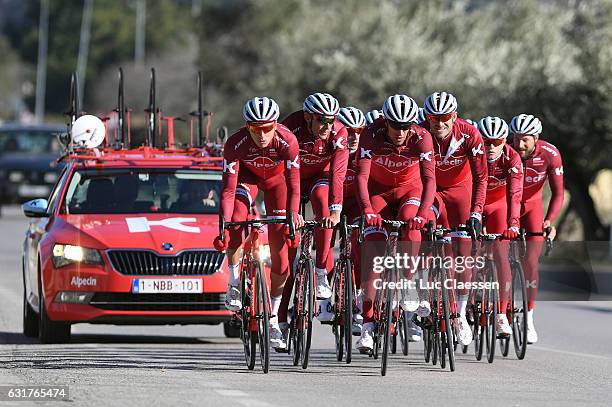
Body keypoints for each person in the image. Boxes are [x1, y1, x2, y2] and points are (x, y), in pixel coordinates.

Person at [214, 96, 303, 351]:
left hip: (278, 185)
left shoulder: (288, 141)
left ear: (275, 125)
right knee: (236, 219)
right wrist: (224, 223)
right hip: (246, 180)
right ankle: (233, 282)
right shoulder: (235, 143)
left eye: (266, 128)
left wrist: (293, 215)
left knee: (282, 257)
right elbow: (228, 191)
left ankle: (273, 317)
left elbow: (295, 186)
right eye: (255, 129)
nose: (261, 135)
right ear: (247, 127)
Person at [354, 94, 436, 352]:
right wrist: (367, 210)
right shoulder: (371, 133)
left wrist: (423, 213)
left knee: (411, 226)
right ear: (385, 121)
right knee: (373, 253)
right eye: (395, 125)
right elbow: (361, 176)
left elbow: (430, 180)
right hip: (378, 192)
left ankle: (408, 281)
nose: (400, 132)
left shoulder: (422, 137)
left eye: (405, 126)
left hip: (410, 191)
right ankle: (367, 326)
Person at [422, 91, 488, 346]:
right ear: (426, 118)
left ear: (455, 116)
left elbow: (482, 177)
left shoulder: (470, 134)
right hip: (431, 191)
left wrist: (476, 212)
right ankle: (425, 292)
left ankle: (459, 313)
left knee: (464, 253)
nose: (439, 123)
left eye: (445, 117)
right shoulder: (420, 133)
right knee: (423, 230)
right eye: (434, 117)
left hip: (461, 191)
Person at [279, 93, 349, 327]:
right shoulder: (290, 127)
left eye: (331, 120)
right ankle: (279, 317)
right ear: (308, 117)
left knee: (323, 201)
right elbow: (282, 169)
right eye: (321, 120)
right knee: (287, 260)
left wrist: (336, 211)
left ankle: (320, 271)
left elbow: (338, 174)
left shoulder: (339, 132)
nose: (327, 126)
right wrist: (290, 209)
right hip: (290, 179)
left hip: (321, 176)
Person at [511, 113, 563, 344]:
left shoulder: (550, 154)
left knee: (531, 262)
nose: (519, 145)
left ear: (536, 138)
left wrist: (549, 220)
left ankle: (529, 318)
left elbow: (559, 193)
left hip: (532, 207)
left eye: (525, 140)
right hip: (505, 206)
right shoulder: (505, 150)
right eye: (516, 139)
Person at [477, 116, 524, 337]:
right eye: (487, 142)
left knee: (501, 255)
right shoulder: (473, 154)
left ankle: (501, 314)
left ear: (505, 140)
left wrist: (513, 224)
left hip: (498, 205)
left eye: (497, 142)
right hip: (472, 203)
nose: (492, 147)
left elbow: (515, 195)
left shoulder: (512, 157)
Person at [337, 106, 366, 334]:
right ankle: (326, 287)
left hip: (356, 205)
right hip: (334, 203)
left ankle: (356, 295)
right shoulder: (334, 149)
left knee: (358, 246)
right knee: (325, 242)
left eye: (359, 131)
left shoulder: (365, 152)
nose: (354, 137)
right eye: (349, 131)